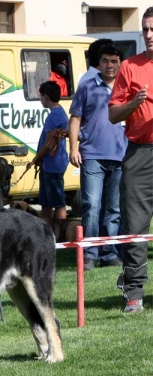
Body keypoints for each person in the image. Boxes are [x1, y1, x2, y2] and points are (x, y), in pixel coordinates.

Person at [108, 7, 153, 313]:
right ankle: (134, 292)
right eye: (145, 30)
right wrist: (133, 103)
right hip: (140, 153)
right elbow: (112, 114)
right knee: (135, 225)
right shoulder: (129, 67)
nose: (149, 35)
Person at [69, 43, 127, 271]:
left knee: (114, 209)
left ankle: (110, 252)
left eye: (114, 61)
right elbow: (75, 119)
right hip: (92, 155)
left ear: (120, 63)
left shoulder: (127, 87)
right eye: (105, 61)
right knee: (91, 205)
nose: (110, 65)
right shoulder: (86, 87)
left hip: (121, 156)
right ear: (99, 63)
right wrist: (73, 149)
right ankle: (90, 255)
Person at [36, 80, 69, 226]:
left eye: (41, 96)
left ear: (46, 97)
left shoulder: (53, 116)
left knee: (57, 201)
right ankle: (46, 230)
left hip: (53, 165)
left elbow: (48, 144)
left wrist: (36, 158)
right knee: (46, 201)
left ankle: (60, 231)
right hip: (50, 164)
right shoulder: (59, 112)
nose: (40, 100)